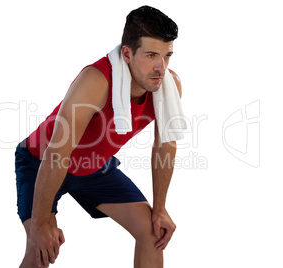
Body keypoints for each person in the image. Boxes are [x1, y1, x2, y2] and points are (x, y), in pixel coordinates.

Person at [14, 5, 182, 268]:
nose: (161, 68)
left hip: (93, 166)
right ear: (127, 53)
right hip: (41, 161)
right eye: (151, 55)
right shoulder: (95, 82)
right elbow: (57, 154)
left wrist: (159, 209)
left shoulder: (167, 87)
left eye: (167, 55)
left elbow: (165, 146)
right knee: (42, 251)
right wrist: (40, 223)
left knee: (152, 233)